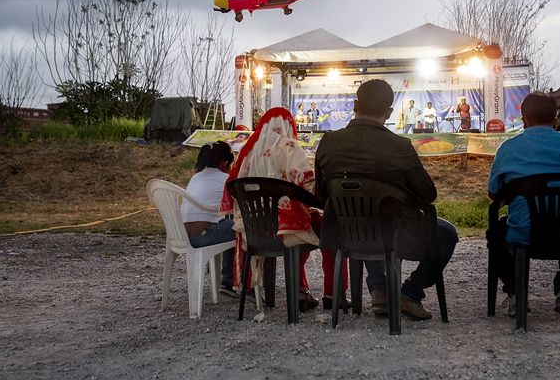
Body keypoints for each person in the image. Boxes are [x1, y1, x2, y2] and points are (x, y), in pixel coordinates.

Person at [315, 79, 458, 321]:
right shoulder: (400, 146)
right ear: (390, 112)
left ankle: (380, 290)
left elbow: (320, 192)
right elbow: (427, 194)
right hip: (394, 235)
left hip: (343, 233)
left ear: (355, 104)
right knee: (447, 234)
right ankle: (409, 294)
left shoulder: (329, 142)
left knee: (368, 215)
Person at [487, 92, 560, 319]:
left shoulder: (508, 149)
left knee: (497, 233)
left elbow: (494, 194)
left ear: (523, 118)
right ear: (556, 118)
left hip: (525, 234)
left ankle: (516, 294)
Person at [221, 107, 348, 312]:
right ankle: (334, 293)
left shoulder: (247, 155)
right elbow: (307, 184)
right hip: (284, 229)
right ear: (289, 125)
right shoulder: (289, 146)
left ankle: (300, 289)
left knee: (303, 223)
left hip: (253, 231)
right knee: (328, 227)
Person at [181, 141, 239, 298]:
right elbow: (239, 206)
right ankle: (229, 280)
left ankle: (224, 277)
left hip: (182, 235)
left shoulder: (196, 178)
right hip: (205, 235)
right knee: (240, 229)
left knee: (226, 225)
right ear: (224, 163)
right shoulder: (226, 179)